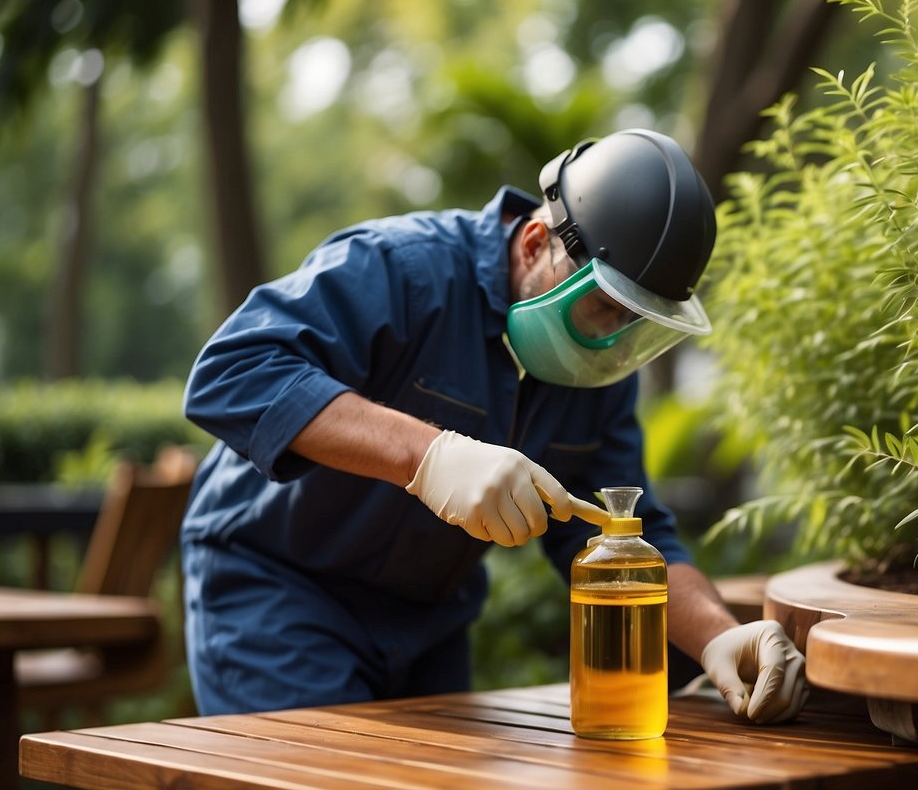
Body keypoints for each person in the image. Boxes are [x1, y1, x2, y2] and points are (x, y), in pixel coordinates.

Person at [180, 128, 809, 725]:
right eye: (602, 308)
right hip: (275, 591)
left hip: (427, 619)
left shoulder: (599, 376)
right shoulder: (401, 269)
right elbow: (233, 372)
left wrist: (718, 635)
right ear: (536, 242)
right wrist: (429, 456)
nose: (611, 341)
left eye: (635, 324)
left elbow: (625, 534)